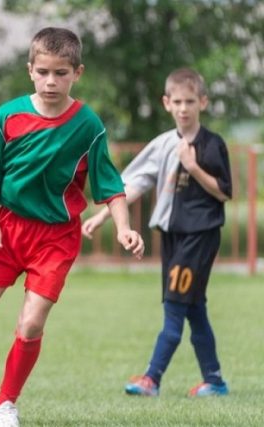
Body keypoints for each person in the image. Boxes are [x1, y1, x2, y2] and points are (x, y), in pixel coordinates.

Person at [0, 27, 145, 427]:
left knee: (31, 322)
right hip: (7, 228)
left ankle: (6, 403)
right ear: (30, 70)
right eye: (43, 71)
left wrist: (124, 227)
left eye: (61, 73)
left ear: (76, 73)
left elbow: (111, 188)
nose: (51, 81)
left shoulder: (88, 126)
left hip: (56, 238)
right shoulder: (6, 117)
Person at [82, 68, 232, 398]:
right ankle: (215, 381)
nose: (183, 108)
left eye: (190, 101)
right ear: (166, 103)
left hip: (200, 236)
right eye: (177, 101)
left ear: (202, 102)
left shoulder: (212, 145)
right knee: (194, 309)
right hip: (172, 234)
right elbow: (134, 183)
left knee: (175, 307)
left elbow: (224, 191)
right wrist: (102, 216)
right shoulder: (163, 144)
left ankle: (152, 378)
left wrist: (193, 168)